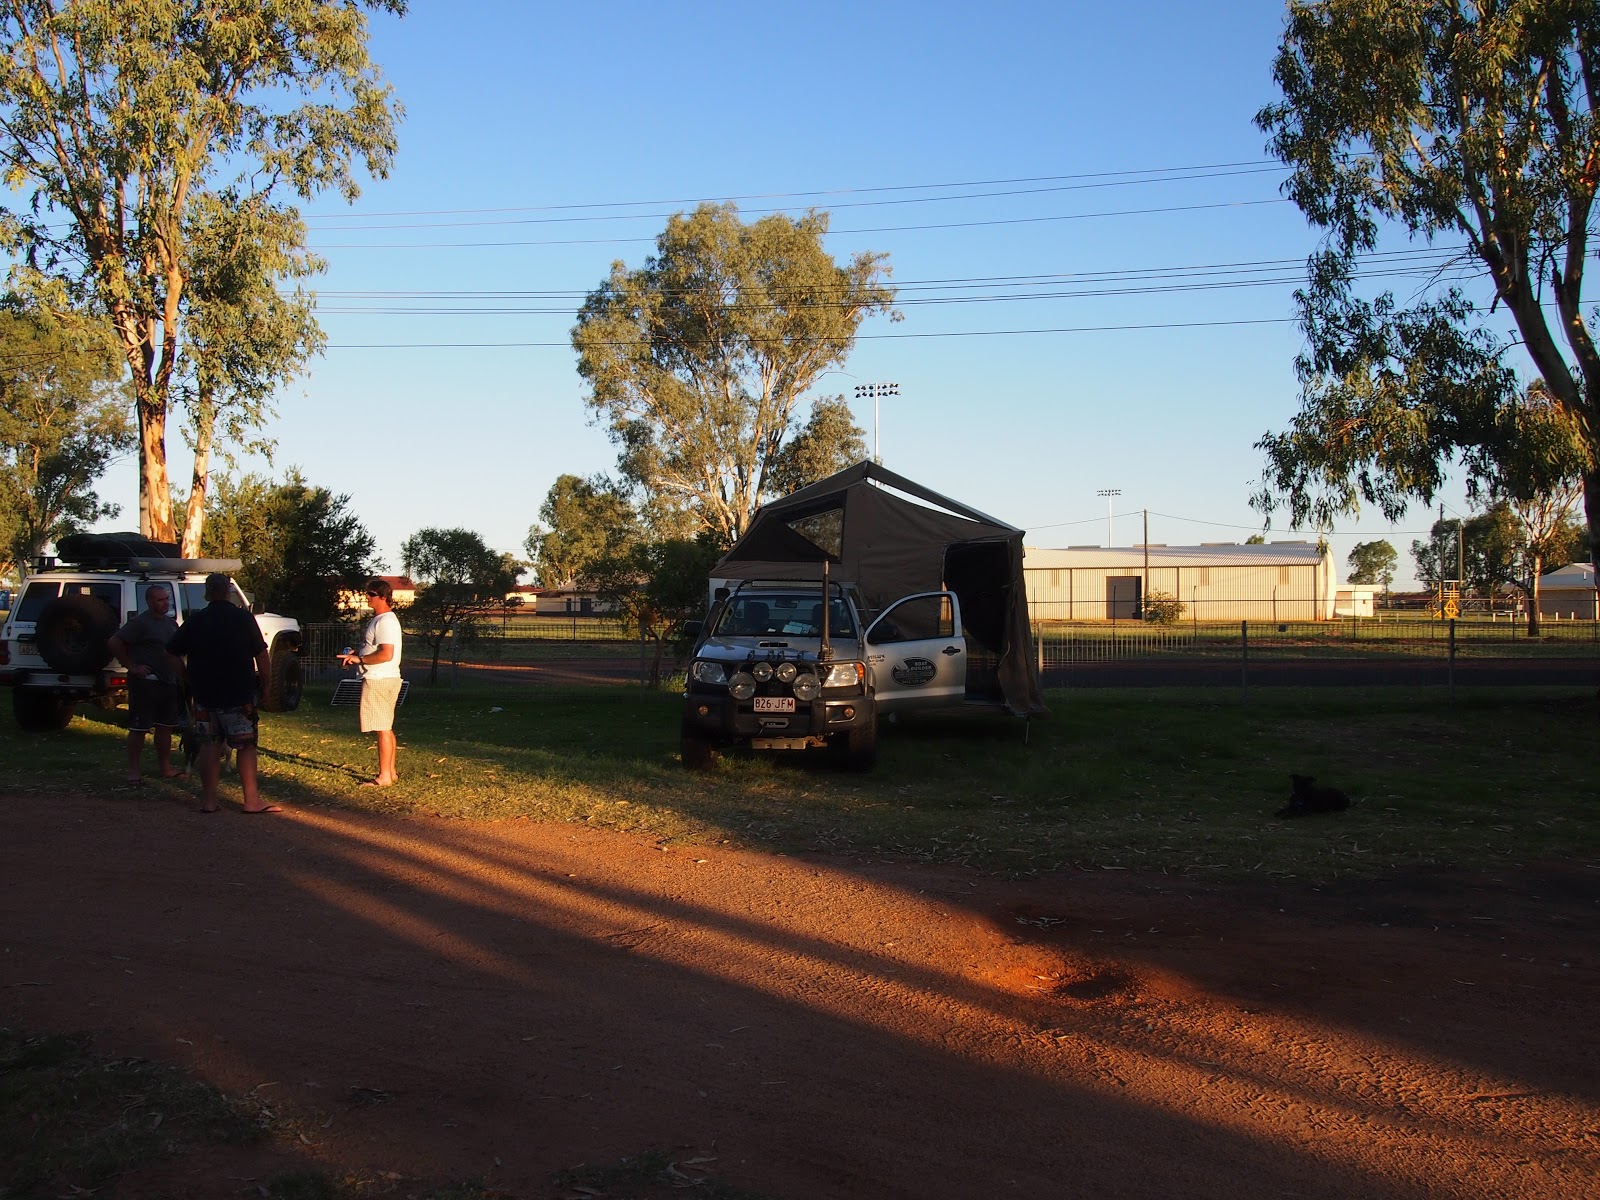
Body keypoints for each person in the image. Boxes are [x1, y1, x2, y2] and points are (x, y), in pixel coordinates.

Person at [166, 572, 278, 814]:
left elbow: (171, 653)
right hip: (239, 693)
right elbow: (261, 654)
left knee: (209, 744)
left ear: (207, 593)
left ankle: (208, 801)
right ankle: (251, 800)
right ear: (228, 591)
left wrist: (187, 677)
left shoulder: (197, 619)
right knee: (245, 745)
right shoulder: (243, 618)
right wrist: (267, 685)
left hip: (205, 694)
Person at [107, 584, 185, 784]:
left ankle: (165, 767)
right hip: (146, 683)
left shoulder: (171, 624)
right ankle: (133, 770)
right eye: (160, 600)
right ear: (150, 602)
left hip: (168, 682)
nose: (165, 603)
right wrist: (132, 666)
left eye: (166, 599)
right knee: (140, 727)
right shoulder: (140, 623)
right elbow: (114, 642)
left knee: (166, 726)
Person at [339, 576, 402, 787]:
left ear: (383, 597)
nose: (368, 597)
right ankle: (390, 773)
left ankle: (384, 777)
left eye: (372, 594)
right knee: (386, 726)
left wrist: (361, 660)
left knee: (382, 728)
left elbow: (386, 654)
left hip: (379, 679)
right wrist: (358, 655)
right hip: (383, 678)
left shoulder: (385, 621)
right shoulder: (381, 620)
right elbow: (376, 649)